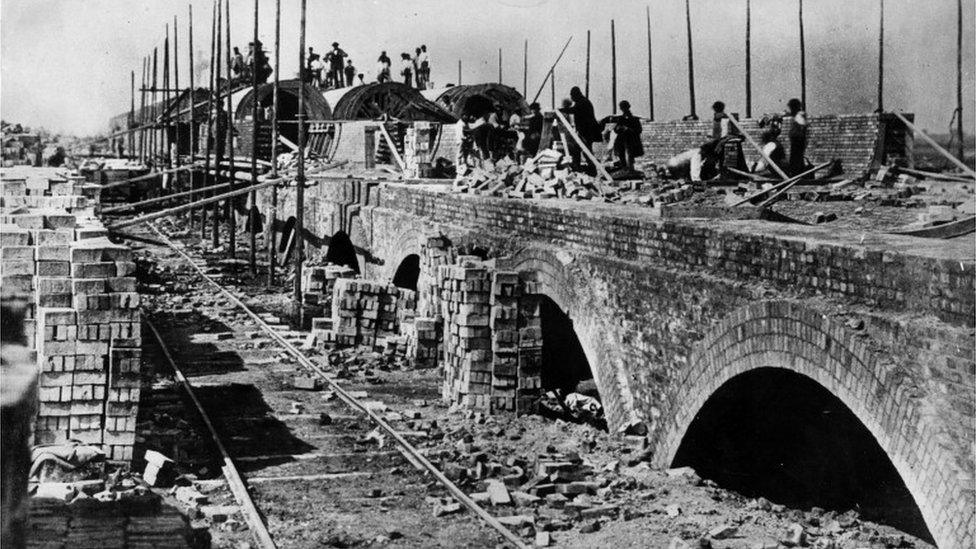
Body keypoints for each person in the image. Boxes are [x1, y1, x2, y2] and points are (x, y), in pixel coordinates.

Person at [560, 87, 602, 174]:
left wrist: (561, 110)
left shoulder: (582, 102)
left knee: (586, 151)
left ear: (576, 95)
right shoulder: (581, 102)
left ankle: (591, 170)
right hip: (584, 131)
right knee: (578, 150)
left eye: (572, 95)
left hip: (587, 131)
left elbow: (574, 110)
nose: (572, 98)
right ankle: (579, 168)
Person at [599, 100, 644, 171]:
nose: (623, 109)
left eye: (624, 107)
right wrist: (619, 128)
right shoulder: (621, 118)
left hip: (631, 140)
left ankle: (630, 169)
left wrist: (627, 129)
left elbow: (638, 130)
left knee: (630, 156)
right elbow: (616, 129)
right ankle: (625, 168)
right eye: (622, 108)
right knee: (622, 155)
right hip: (622, 141)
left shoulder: (634, 119)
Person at [786, 98, 808, 176]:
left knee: (796, 159)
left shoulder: (799, 115)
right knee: (796, 158)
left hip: (798, 141)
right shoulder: (797, 115)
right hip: (796, 140)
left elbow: (803, 126)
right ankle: (797, 174)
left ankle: (796, 174)